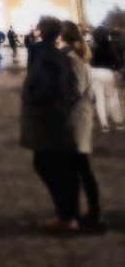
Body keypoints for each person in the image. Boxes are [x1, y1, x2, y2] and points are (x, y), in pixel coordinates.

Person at [20, 17, 94, 233]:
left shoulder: (48, 56)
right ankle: (68, 212)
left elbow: (50, 87)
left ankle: (67, 215)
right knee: (55, 166)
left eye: (39, 28)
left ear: (43, 31)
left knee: (50, 166)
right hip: (52, 117)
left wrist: (33, 98)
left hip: (49, 119)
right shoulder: (51, 54)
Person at [60, 22, 102, 229]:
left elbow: (74, 91)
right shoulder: (76, 57)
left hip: (75, 120)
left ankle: (91, 214)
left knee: (80, 168)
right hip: (78, 117)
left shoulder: (72, 59)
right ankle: (78, 212)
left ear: (62, 37)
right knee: (78, 168)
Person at [89, 25, 123, 131]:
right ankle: (118, 122)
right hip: (107, 73)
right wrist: (120, 71)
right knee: (113, 97)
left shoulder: (94, 47)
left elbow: (91, 62)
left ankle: (104, 125)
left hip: (94, 73)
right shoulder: (109, 47)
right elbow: (116, 63)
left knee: (100, 99)